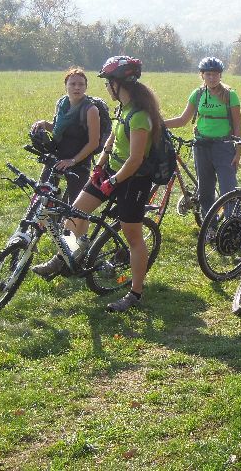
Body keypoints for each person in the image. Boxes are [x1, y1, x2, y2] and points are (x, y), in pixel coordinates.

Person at [39, 55, 163, 313]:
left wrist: (112, 181)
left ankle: (135, 292)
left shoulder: (140, 116)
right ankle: (67, 255)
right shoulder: (123, 108)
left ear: (119, 84)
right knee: (75, 212)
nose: (106, 87)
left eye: (108, 82)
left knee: (133, 237)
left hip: (134, 180)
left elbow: (135, 159)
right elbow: (112, 140)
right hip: (110, 171)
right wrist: (100, 166)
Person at [163, 57, 241, 219]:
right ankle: (209, 225)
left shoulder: (230, 95)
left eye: (215, 74)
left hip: (224, 146)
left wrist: (238, 152)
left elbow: (237, 126)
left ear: (220, 75)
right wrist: (159, 124)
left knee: (228, 189)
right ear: (202, 75)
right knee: (205, 190)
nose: (212, 78)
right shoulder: (198, 94)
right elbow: (183, 120)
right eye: (208, 74)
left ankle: (233, 224)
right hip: (201, 146)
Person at [30, 67, 100, 203]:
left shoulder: (90, 110)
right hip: (57, 157)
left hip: (79, 162)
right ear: (65, 86)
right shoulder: (61, 104)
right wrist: (44, 124)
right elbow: (58, 129)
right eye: (72, 84)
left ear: (86, 87)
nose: (77, 87)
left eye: (81, 84)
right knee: (43, 197)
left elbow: (93, 143)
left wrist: (72, 161)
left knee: (76, 207)